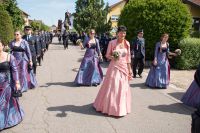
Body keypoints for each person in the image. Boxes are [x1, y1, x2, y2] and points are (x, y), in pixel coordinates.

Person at [93, 25, 132, 117]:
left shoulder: (127, 43)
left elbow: (128, 58)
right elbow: (107, 55)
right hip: (114, 67)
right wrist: (113, 56)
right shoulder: (112, 43)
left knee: (123, 87)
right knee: (114, 86)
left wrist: (130, 70)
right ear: (117, 33)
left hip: (124, 68)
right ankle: (110, 107)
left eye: (124, 33)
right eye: (121, 32)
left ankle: (121, 108)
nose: (123, 34)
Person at [0, 39, 24, 131]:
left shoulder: (9, 57)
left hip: (6, 84)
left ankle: (2, 122)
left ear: (3, 46)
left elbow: (15, 70)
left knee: (2, 104)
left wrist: (17, 82)